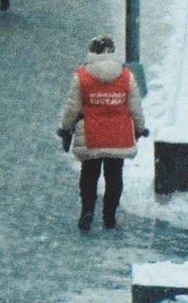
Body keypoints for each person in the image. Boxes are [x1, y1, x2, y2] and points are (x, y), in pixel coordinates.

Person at [59, 35, 147, 229]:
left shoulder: (82, 76)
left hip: (91, 133)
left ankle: (88, 209)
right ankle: (109, 215)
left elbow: (72, 107)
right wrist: (140, 127)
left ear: (92, 52)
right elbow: (135, 106)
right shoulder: (126, 75)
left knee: (89, 175)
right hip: (118, 134)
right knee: (114, 176)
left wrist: (66, 128)